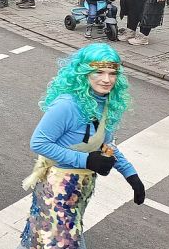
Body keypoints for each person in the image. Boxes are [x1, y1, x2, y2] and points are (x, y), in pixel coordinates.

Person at [20, 44, 144, 248]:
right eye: (99, 72)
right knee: (63, 243)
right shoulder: (67, 104)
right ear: (84, 73)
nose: (107, 79)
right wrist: (85, 159)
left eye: (112, 73)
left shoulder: (107, 103)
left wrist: (131, 175)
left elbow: (106, 145)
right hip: (57, 188)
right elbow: (39, 143)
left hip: (81, 190)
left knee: (40, 241)